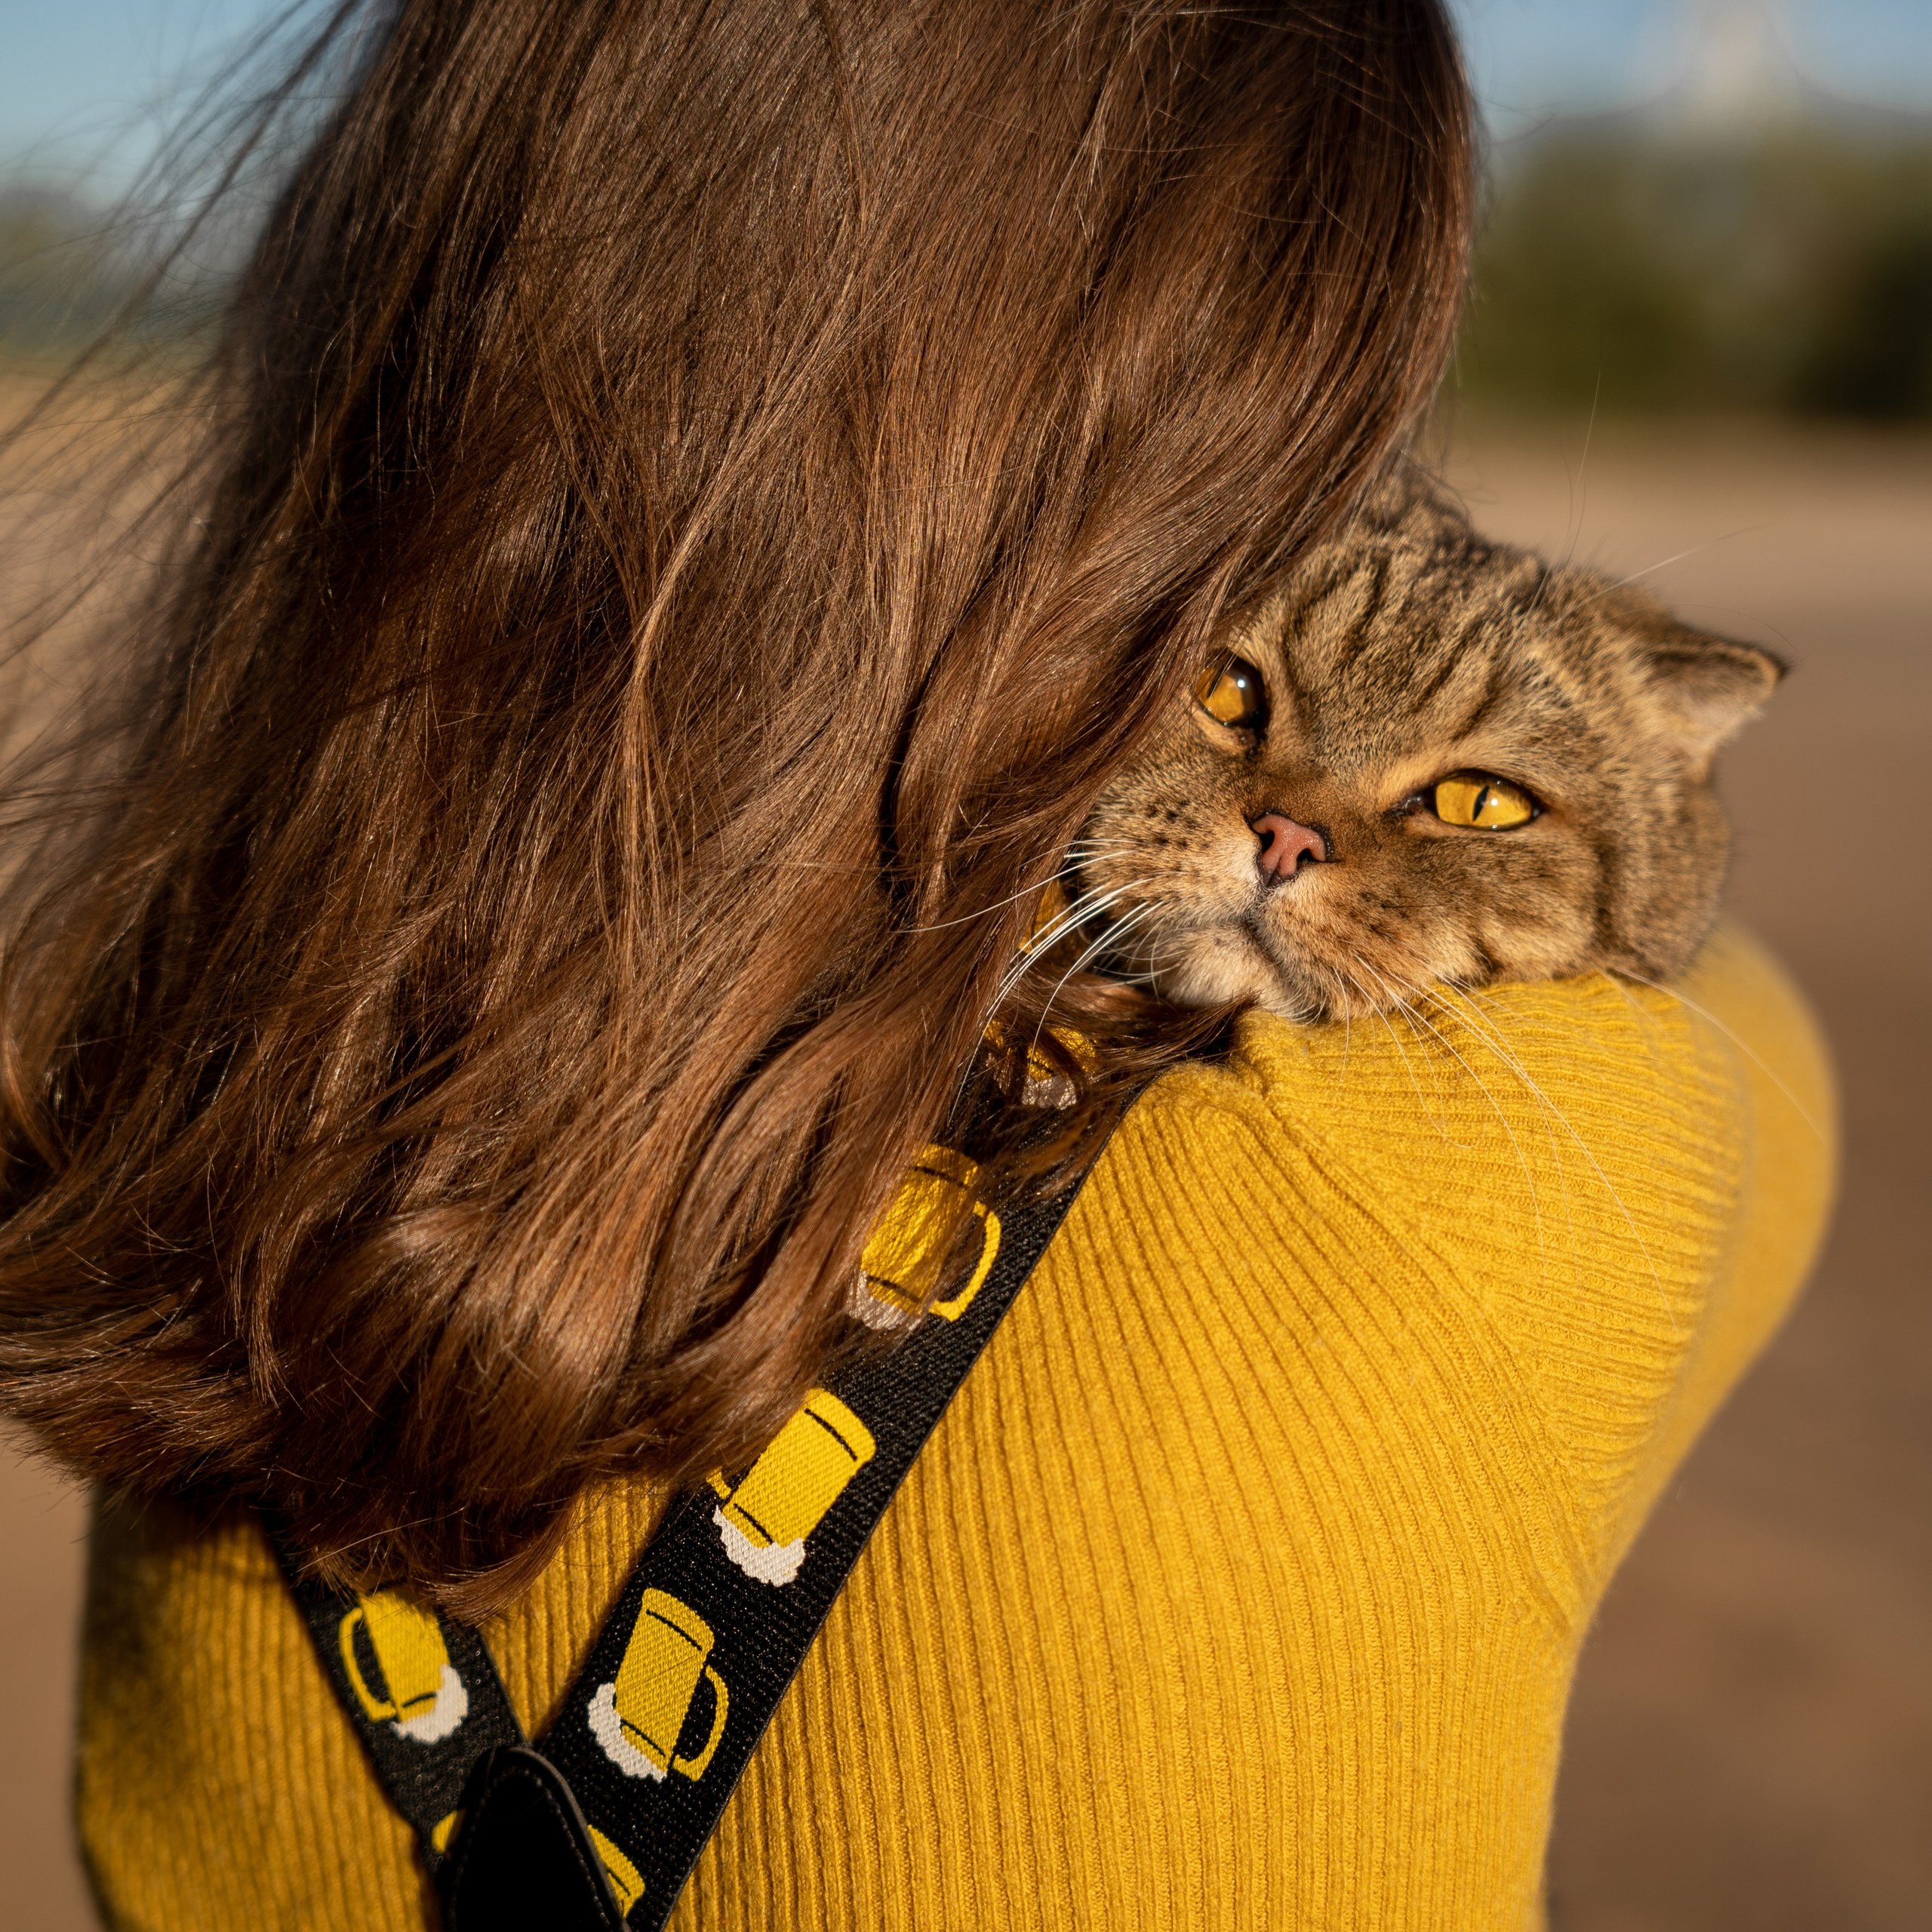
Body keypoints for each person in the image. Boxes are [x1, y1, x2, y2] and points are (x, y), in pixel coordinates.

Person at [0, 2, 1832, 1926]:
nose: (1293, 832)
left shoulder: (200, 1169)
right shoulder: (1478, 1183)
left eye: (1458, 800)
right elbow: (1750, 1036)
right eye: (1223, 690)